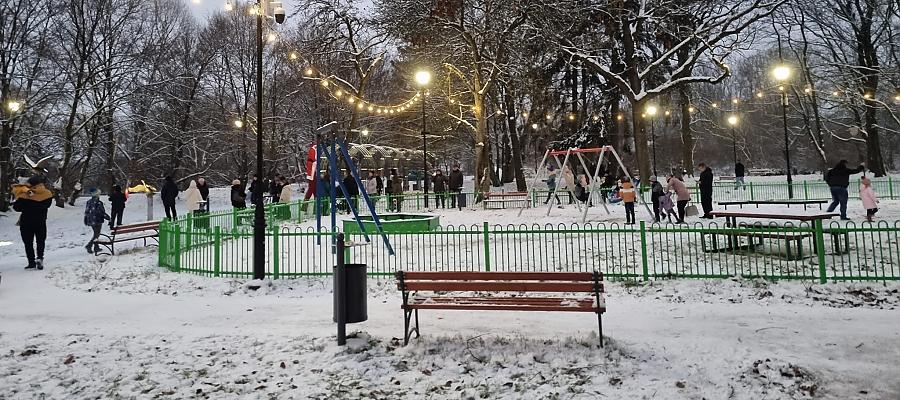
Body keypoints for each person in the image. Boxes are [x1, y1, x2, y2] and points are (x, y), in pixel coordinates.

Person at [13, 176, 53, 270]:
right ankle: (40, 258)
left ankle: (31, 262)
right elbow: (47, 205)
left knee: (28, 243)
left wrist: (23, 199)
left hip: (26, 222)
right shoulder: (47, 194)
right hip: (41, 221)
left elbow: (17, 208)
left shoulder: (24, 194)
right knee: (40, 241)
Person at [83, 188, 110, 254]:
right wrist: (108, 217)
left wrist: (86, 218)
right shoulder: (98, 203)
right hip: (97, 220)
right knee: (96, 234)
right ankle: (89, 245)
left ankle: (96, 247)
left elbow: (87, 211)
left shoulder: (89, 202)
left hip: (91, 220)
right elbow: (101, 212)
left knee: (96, 234)